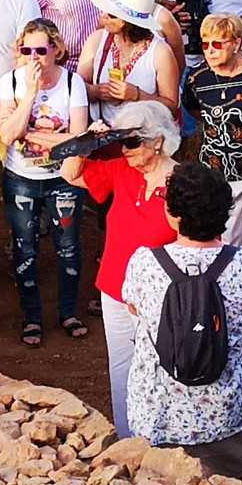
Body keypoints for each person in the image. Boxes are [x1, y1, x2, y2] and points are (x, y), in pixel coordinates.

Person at [121, 164, 242, 479]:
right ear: (225, 213)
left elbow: (134, 308)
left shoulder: (144, 263)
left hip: (161, 418)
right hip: (228, 417)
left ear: (174, 215)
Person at [63, 102, 183, 437]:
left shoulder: (182, 183)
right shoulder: (122, 170)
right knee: (122, 367)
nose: (123, 149)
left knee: (162, 366)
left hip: (159, 296)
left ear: (156, 141)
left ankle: (163, 438)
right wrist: (87, 142)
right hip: (115, 287)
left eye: (130, 141)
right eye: (120, 142)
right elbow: (70, 173)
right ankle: (128, 436)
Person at [0, 18, 91, 348]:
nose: (34, 57)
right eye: (26, 50)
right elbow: (7, 134)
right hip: (21, 177)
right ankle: (31, 317)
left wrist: (32, 134)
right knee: (25, 249)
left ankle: (68, 312)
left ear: (56, 49)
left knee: (68, 248)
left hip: (61, 179)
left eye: (41, 49)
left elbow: (78, 139)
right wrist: (31, 94)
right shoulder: (10, 82)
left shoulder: (71, 83)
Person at [181, 13, 242, 189]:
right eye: (205, 44)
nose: (210, 50)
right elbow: (195, 109)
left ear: (237, 44)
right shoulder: (196, 77)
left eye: (217, 44)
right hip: (215, 171)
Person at [78, 0, 182, 124]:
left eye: (112, 14)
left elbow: (171, 106)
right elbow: (77, 87)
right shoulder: (96, 41)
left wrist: (137, 95)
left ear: (130, 22)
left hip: (145, 135)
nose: (104, 17)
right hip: (103, 133)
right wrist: (95, 91)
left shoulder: (160, 52)